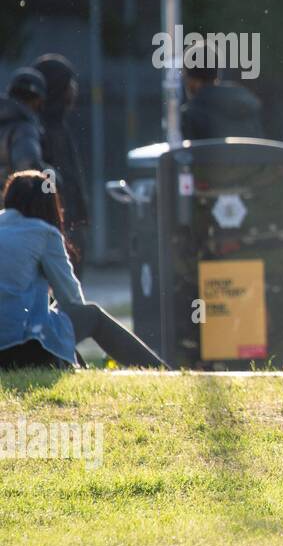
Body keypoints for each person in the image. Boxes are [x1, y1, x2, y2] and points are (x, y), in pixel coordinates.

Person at [0, 171, 167, 370]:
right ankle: (160, 371)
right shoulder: (43, 233)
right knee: (91, 315)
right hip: (18, 348)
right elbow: (72, 300)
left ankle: (76, 367)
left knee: (54, 319)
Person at [32, 55, 90, 274]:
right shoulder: (39, 130)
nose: (73, 91)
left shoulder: (60, 126)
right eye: (68, 84)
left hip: (70, 223)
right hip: (54, 226)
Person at [180, 50, 264, 141]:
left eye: (185, 75)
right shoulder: (247, 109)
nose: (184, 81)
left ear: (194, 80)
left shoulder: (189, 116)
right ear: (217, 75)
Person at [0, 68, 48, 189]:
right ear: (37, 100)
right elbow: (29, 168)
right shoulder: (24, 129)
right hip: (10, 202)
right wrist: (54, 178)